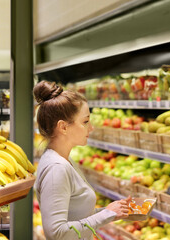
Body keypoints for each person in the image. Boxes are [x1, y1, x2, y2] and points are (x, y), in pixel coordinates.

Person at [34, 80, 131, 240]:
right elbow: (57, 233)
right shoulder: (57, 168)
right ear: (63, 127)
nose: (91, 128)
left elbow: (75, 217)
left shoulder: (64, 159)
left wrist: (112, 212)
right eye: (85, 122)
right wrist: (106, 214)